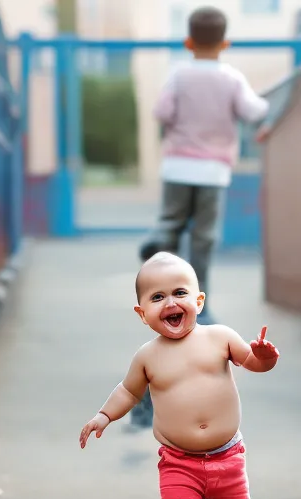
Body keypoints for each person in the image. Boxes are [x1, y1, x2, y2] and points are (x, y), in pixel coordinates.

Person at [79, 253, 279, 499]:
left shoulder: (220, 337)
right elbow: (128, 391)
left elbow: (252, 361)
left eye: (179, 293)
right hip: (179, 460)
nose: (170, 302)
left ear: (198, 301)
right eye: (157, 298)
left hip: (227, 456)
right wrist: (103, 416)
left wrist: (264, 357)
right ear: (142, 313)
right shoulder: (148, 356)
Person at [129, 6, 270, 431]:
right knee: (204, 232)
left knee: (172, 221)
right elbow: (254, 111)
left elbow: (161, 112)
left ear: (189, 42)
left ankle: (160, 249)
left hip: (178, 165)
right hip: (212, 169)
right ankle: (195, 288)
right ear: (224, 43)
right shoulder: (230, 79)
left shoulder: (178, 73)